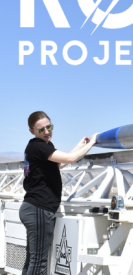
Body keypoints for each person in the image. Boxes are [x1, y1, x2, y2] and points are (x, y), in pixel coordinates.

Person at [20, 111, 98, 275]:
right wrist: (92, 143)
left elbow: (59, 164)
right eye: (41, 129)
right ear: (32, 131)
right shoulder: (38, 146)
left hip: (33, 208)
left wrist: (80, 145)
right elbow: (70, 160)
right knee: (38, 263)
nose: (47, 132)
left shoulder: (41, 146)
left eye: (49, 127)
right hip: (39, 209)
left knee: (32, 261)